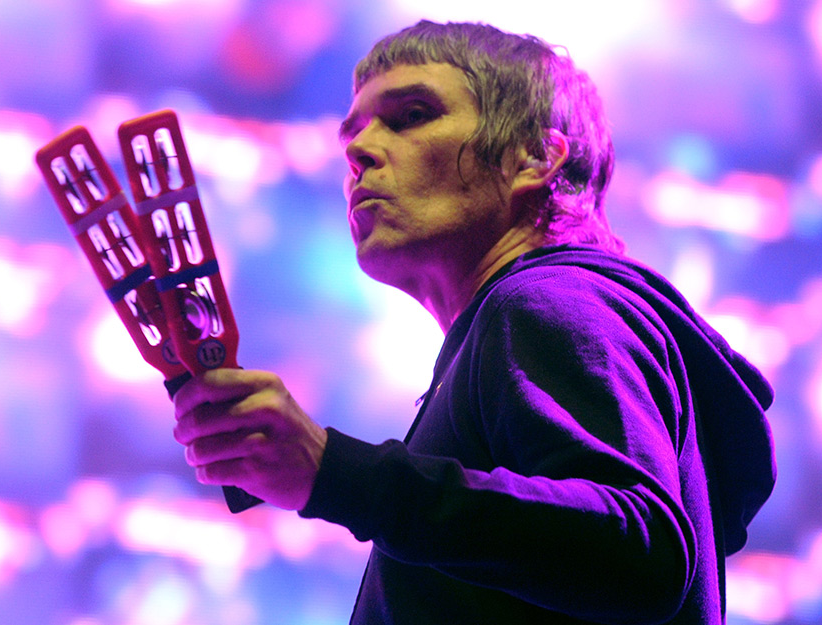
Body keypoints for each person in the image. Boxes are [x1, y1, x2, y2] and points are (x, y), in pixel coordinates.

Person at [170, 20, 776, 624]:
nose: (358, 151)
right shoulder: (523, 320)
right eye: (352, 133)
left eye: (411, 115)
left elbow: (640, 555)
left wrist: (334, 473)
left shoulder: (546, 300)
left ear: (535, 157)